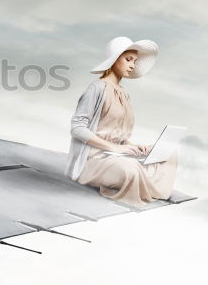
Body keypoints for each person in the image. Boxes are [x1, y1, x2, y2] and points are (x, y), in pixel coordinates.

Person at [64, 36, 178, 206]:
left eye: (135, 61)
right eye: (128, 59)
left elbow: (117, 133)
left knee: (170, 152)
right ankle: (141, 181)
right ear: (114, 60)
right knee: (130, 170)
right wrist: (115, 148)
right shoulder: (97, 88)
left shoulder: (124, 93)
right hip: (95, 159)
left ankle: (144, 180)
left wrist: (131, 146)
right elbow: (77, 128)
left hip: (117, 153)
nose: (133, 65)